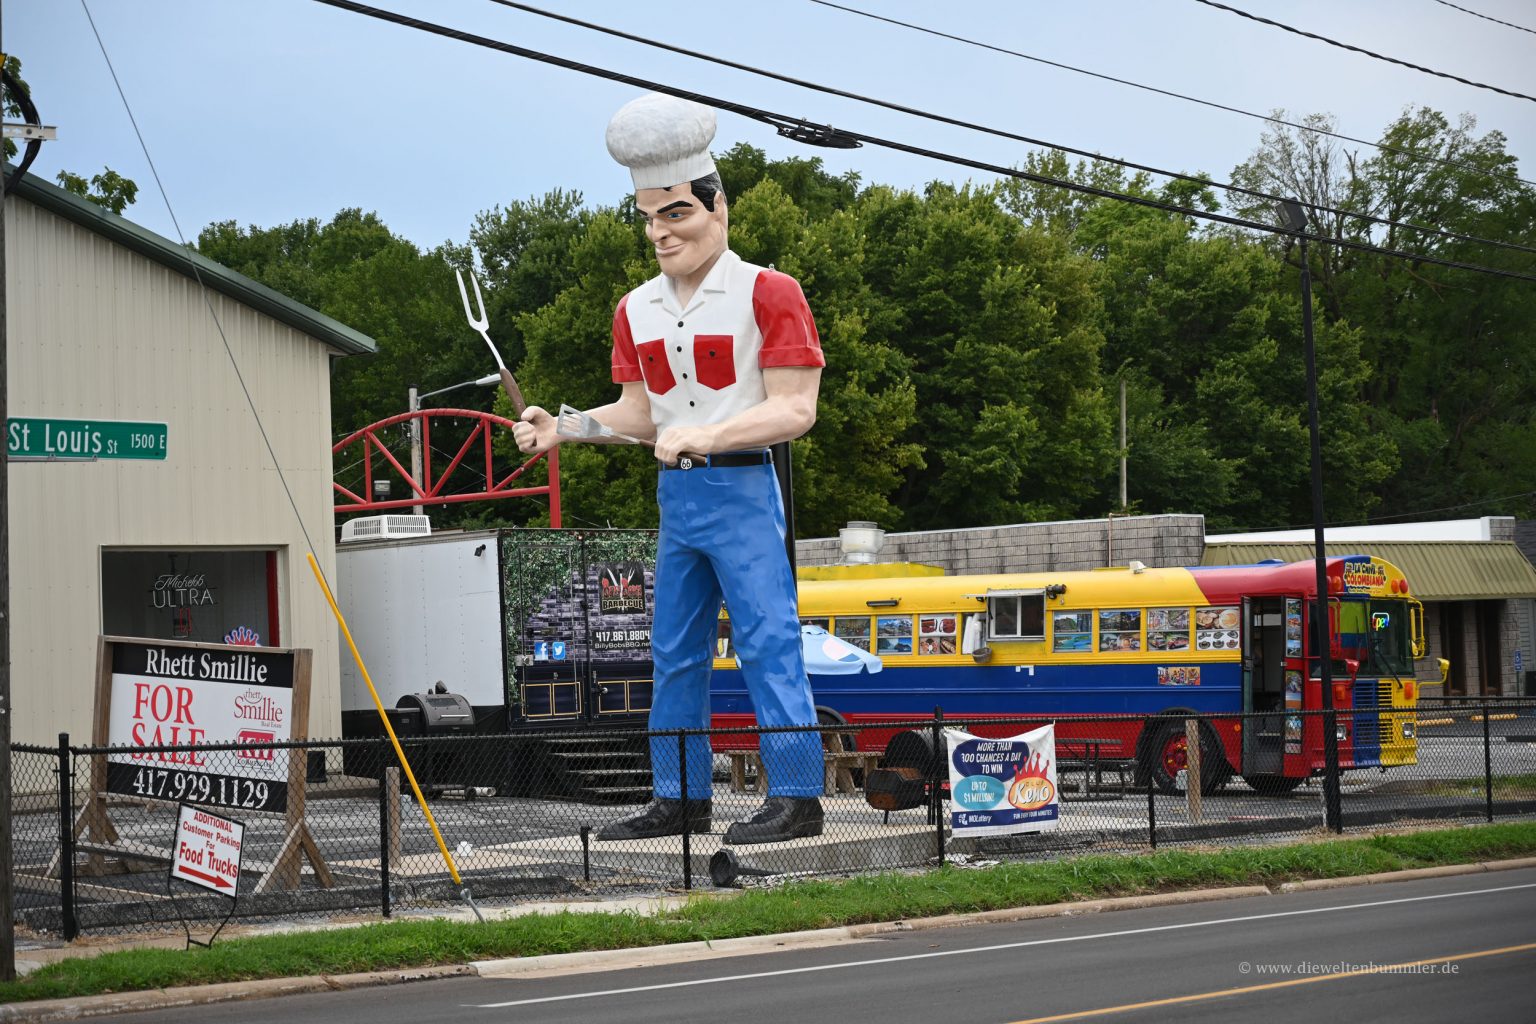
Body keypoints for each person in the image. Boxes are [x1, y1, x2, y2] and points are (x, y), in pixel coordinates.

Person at [513, 93, 825, 845]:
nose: (660, 232)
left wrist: (706, 438)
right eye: (650, 218)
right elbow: (639, 412)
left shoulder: (768, 292)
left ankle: (797, 795)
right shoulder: (636, 308)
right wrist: (566, 427)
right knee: (673, 648)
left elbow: (796, 409)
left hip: (745, 486)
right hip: (678, 498)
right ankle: (678, 796)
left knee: (767, 638)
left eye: (676, 213)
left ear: (719, 210)